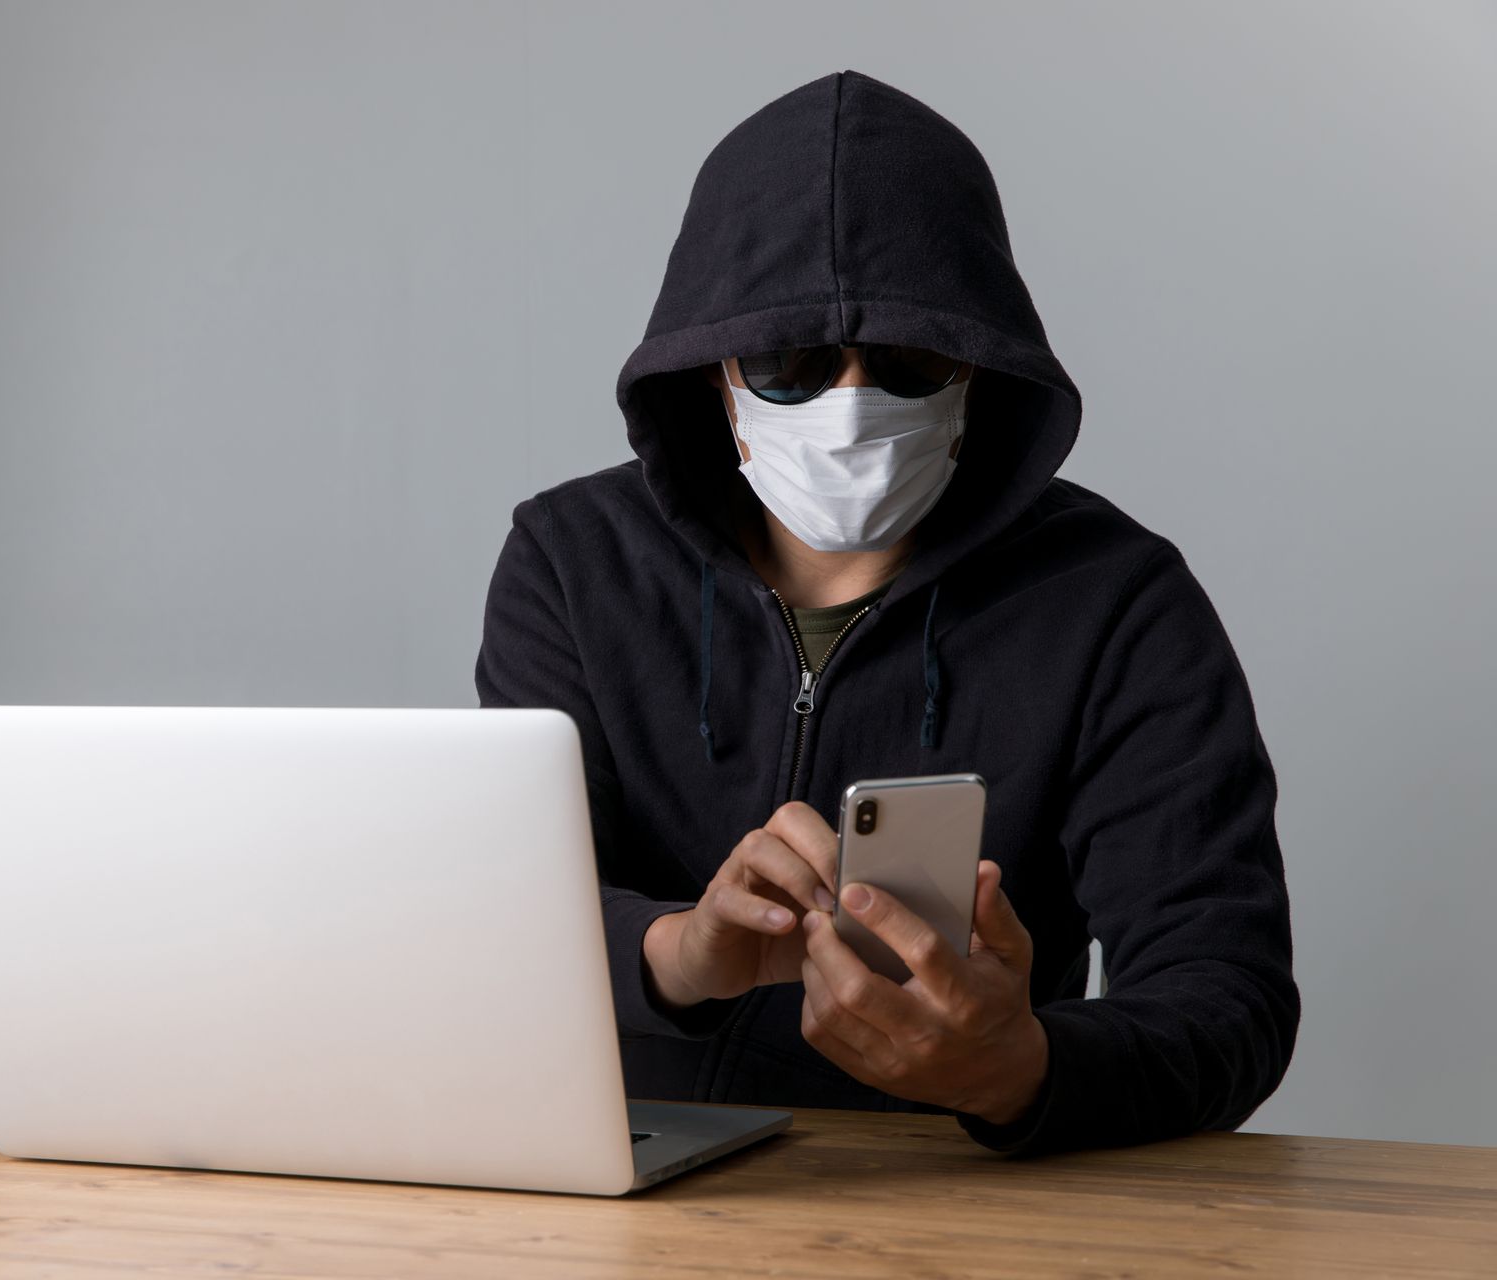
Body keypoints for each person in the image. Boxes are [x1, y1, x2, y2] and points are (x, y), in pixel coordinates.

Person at [474, 69, 1298, 1155]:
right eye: (789, 362)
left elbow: (1228, 995)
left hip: (957, 1200)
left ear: (976, 365)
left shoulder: (1116, 601)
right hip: (625, 1166)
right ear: (713, 367)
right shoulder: (574, 563)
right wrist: (681, 951)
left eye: (909, 360)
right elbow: (513, 920)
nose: (851, 402)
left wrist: (1021, 1069)